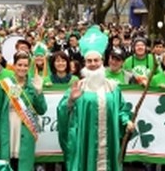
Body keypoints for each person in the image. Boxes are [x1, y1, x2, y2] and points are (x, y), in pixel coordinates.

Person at [57, 25, 134, 171]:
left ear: (102, 61)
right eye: (89, 61)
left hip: (109, 143)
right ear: (85, 63)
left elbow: (122, 110)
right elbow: (62, 112)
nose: (93, 64)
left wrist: (126, 121)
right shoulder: (77, 87)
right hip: (85, 143)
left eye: (96, 60)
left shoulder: (113, 87)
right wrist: (71, 101)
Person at [0, 51, 47, 171]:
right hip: (7, 131)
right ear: (14, 66)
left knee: (23, 166)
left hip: (25, 132)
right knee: (6, 165)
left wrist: (39, 92)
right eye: (19, 65)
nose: (22, 68)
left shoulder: (33, 84)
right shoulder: (5, 84)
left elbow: (42, 110)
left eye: (25, 65)